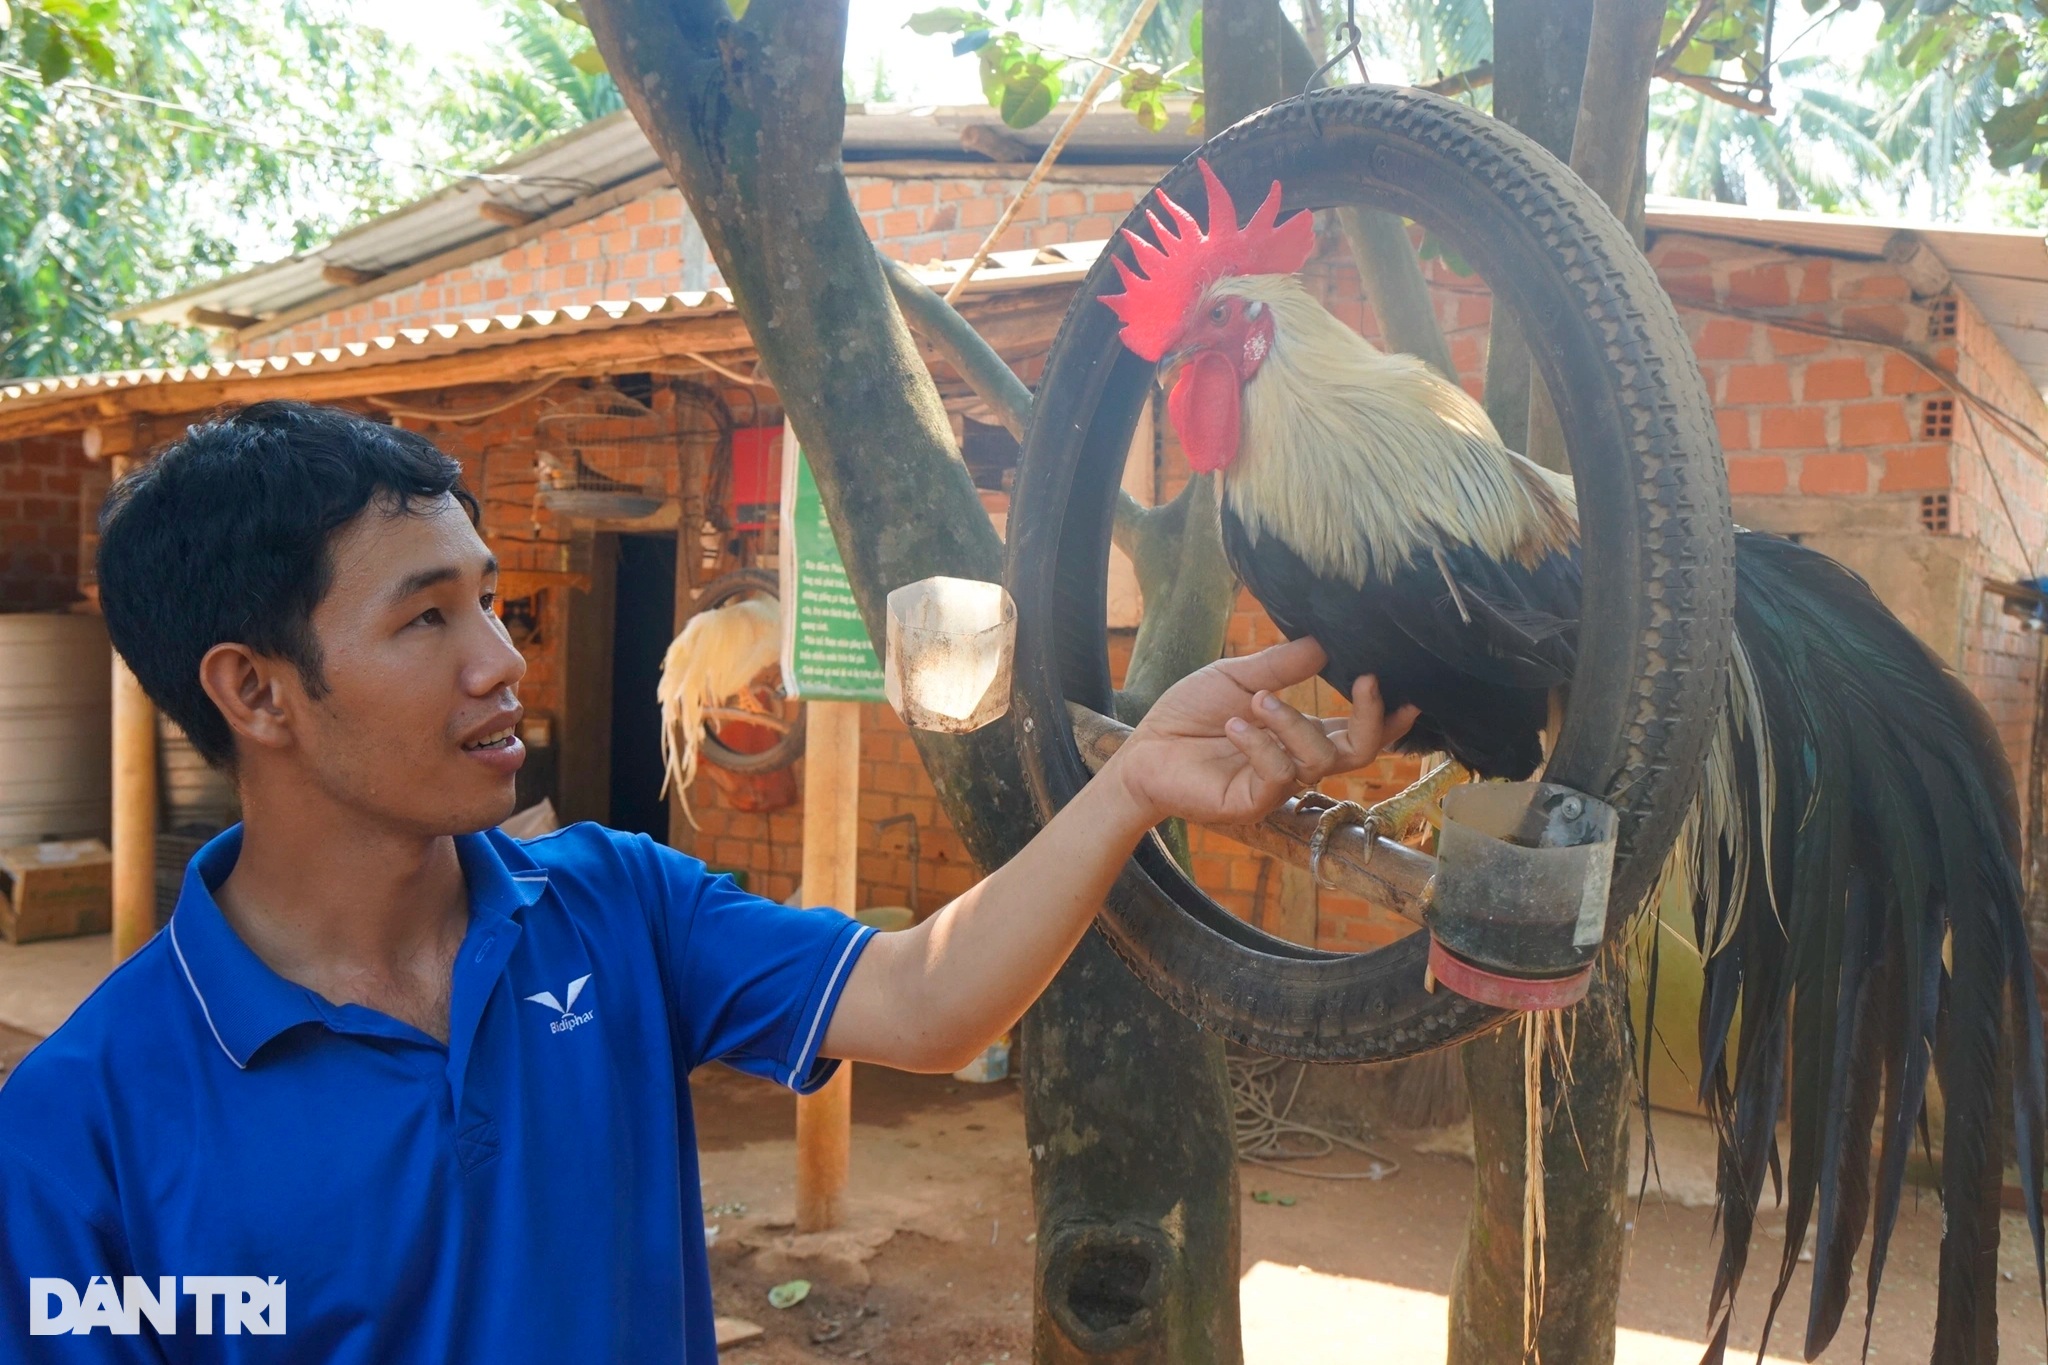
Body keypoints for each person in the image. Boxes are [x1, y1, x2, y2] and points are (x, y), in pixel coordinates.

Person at [0, 401, 1415, 1361]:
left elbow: (924, 998)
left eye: (487, 594)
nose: (498, 657)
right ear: (256, 690)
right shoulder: (88, 1126)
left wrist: (1132, 789)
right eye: (427, 615)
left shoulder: (611, 906)